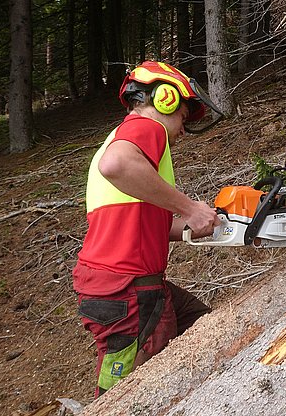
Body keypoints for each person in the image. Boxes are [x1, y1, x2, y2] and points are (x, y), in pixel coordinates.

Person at [72, 61, 221, 397]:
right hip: (127, 289)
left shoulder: (127, 143)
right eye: (183, 116)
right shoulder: (145, 128)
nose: (182, 129)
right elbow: (117, 164)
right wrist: (190, 207)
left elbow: (143, 221)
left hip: (123, 282)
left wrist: (192, 227)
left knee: (206, 325)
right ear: (165, 99)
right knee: (131, 394)